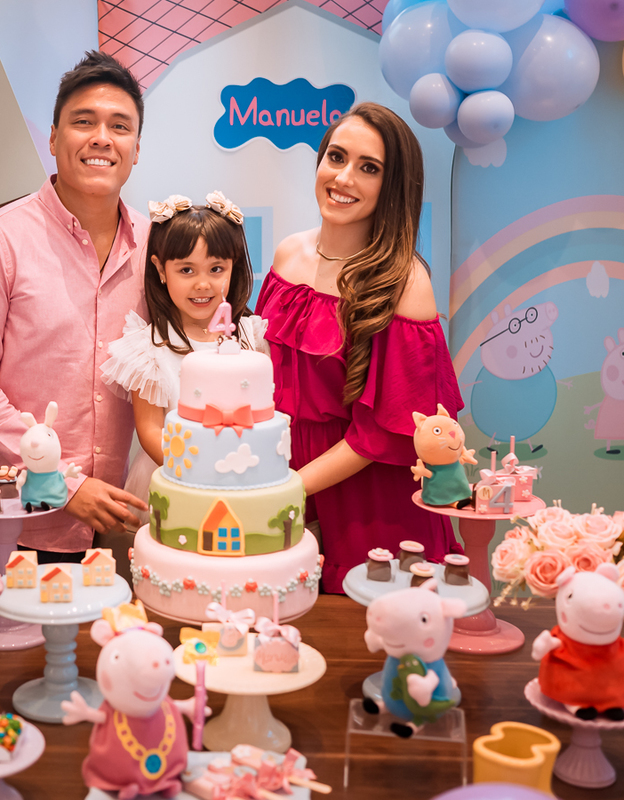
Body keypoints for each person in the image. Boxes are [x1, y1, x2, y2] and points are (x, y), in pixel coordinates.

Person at [0, 51, 149, 584]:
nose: (102, 138)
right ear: (54, 139)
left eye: (119, 126)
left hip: (107, 529)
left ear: (136, 148)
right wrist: (63, 484)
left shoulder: (155, 249)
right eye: (84, 122)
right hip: (2, 524)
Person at [255, 102, 464, 593]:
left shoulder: (406, 283)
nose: (344, 177)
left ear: (392, 186)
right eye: (336, 157)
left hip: (369, 507)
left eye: (369, 168)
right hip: (284, 482)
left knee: (368, 628)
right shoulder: (288, 255)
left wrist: (289, 488)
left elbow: (385, 433)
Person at [100, 192, 266, 525]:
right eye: (186, 270)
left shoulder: (252, 337)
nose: (203, 284)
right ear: (161, 269)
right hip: (172, 477)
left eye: (216, 269)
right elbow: (150, 430)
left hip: (242, 476)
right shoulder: (149, 347)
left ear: (233, 268)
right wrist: (198, 474)